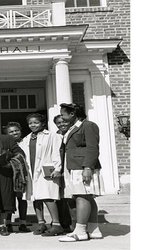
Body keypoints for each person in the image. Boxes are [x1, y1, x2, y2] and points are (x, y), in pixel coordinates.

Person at [57, 103, 105, 242]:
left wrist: (88, 167)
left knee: (81, 197)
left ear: (72, 114)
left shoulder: (88, 125)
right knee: (87, 197)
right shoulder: (74, 127)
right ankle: (93, 229)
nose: (62, 117)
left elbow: (92, 147)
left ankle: (80, 231)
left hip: (82, 166)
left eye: (63, 114)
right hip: (75, 166)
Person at [21, 113, 64, 236]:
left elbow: (56, 152)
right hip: (32, 171)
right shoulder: (26, 138)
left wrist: (57, 169)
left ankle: (56, 224)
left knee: (48, 196)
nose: (32, 125)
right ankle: (41, 223)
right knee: (35, 197)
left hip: (47, 169)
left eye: (36, 122)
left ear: (43, 123)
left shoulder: (52, 136)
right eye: (30, 123)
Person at [5, 122, 31, 233]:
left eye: (16, 130)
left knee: (22, 199)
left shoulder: (27, 142)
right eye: (11, 131)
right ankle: (7, 223)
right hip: (8, 175)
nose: (14, 133)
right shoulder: (4, 143)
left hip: (23, 175)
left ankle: (23, 223)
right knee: (8, 199)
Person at [53, 115, 76, 233]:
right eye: (58, 123)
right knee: (60, 199)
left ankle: (74, 224)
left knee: (72, 198)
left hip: (72, 168)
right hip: (59, 170)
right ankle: (63, 224)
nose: (61, 124)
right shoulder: (55, 136)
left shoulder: (74, 133)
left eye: (63, 122)